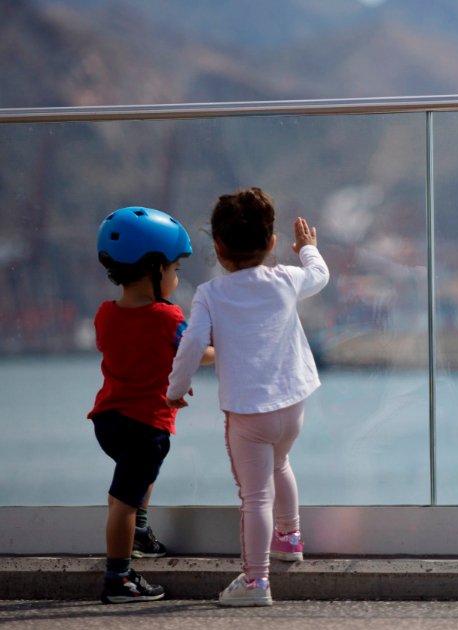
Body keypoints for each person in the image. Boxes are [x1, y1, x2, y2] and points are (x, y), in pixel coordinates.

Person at [166, 187, 329, 607]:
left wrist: (175, 389)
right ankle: (290, 537)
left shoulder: (210, 294)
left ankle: (257, 582)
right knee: (281, 463)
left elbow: (192, 344)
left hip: (249, 415)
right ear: (272, 243)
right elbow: (319, 275)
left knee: (255, 497)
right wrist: (307, 249)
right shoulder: (286, 278)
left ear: (218, 248)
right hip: (292, 405)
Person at [90, 206, 215, 604]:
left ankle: (140, 533)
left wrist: (168, 378)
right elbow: (195, 353)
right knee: (122, 503)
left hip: (108, 421)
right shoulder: (166, 316)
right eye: (175, 268)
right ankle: (119, 579)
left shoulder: (105, 314)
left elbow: (136, 356)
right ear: (154, 268)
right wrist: (229, 347)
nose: (177, 276)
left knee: (136, 481)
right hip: (144, 426)